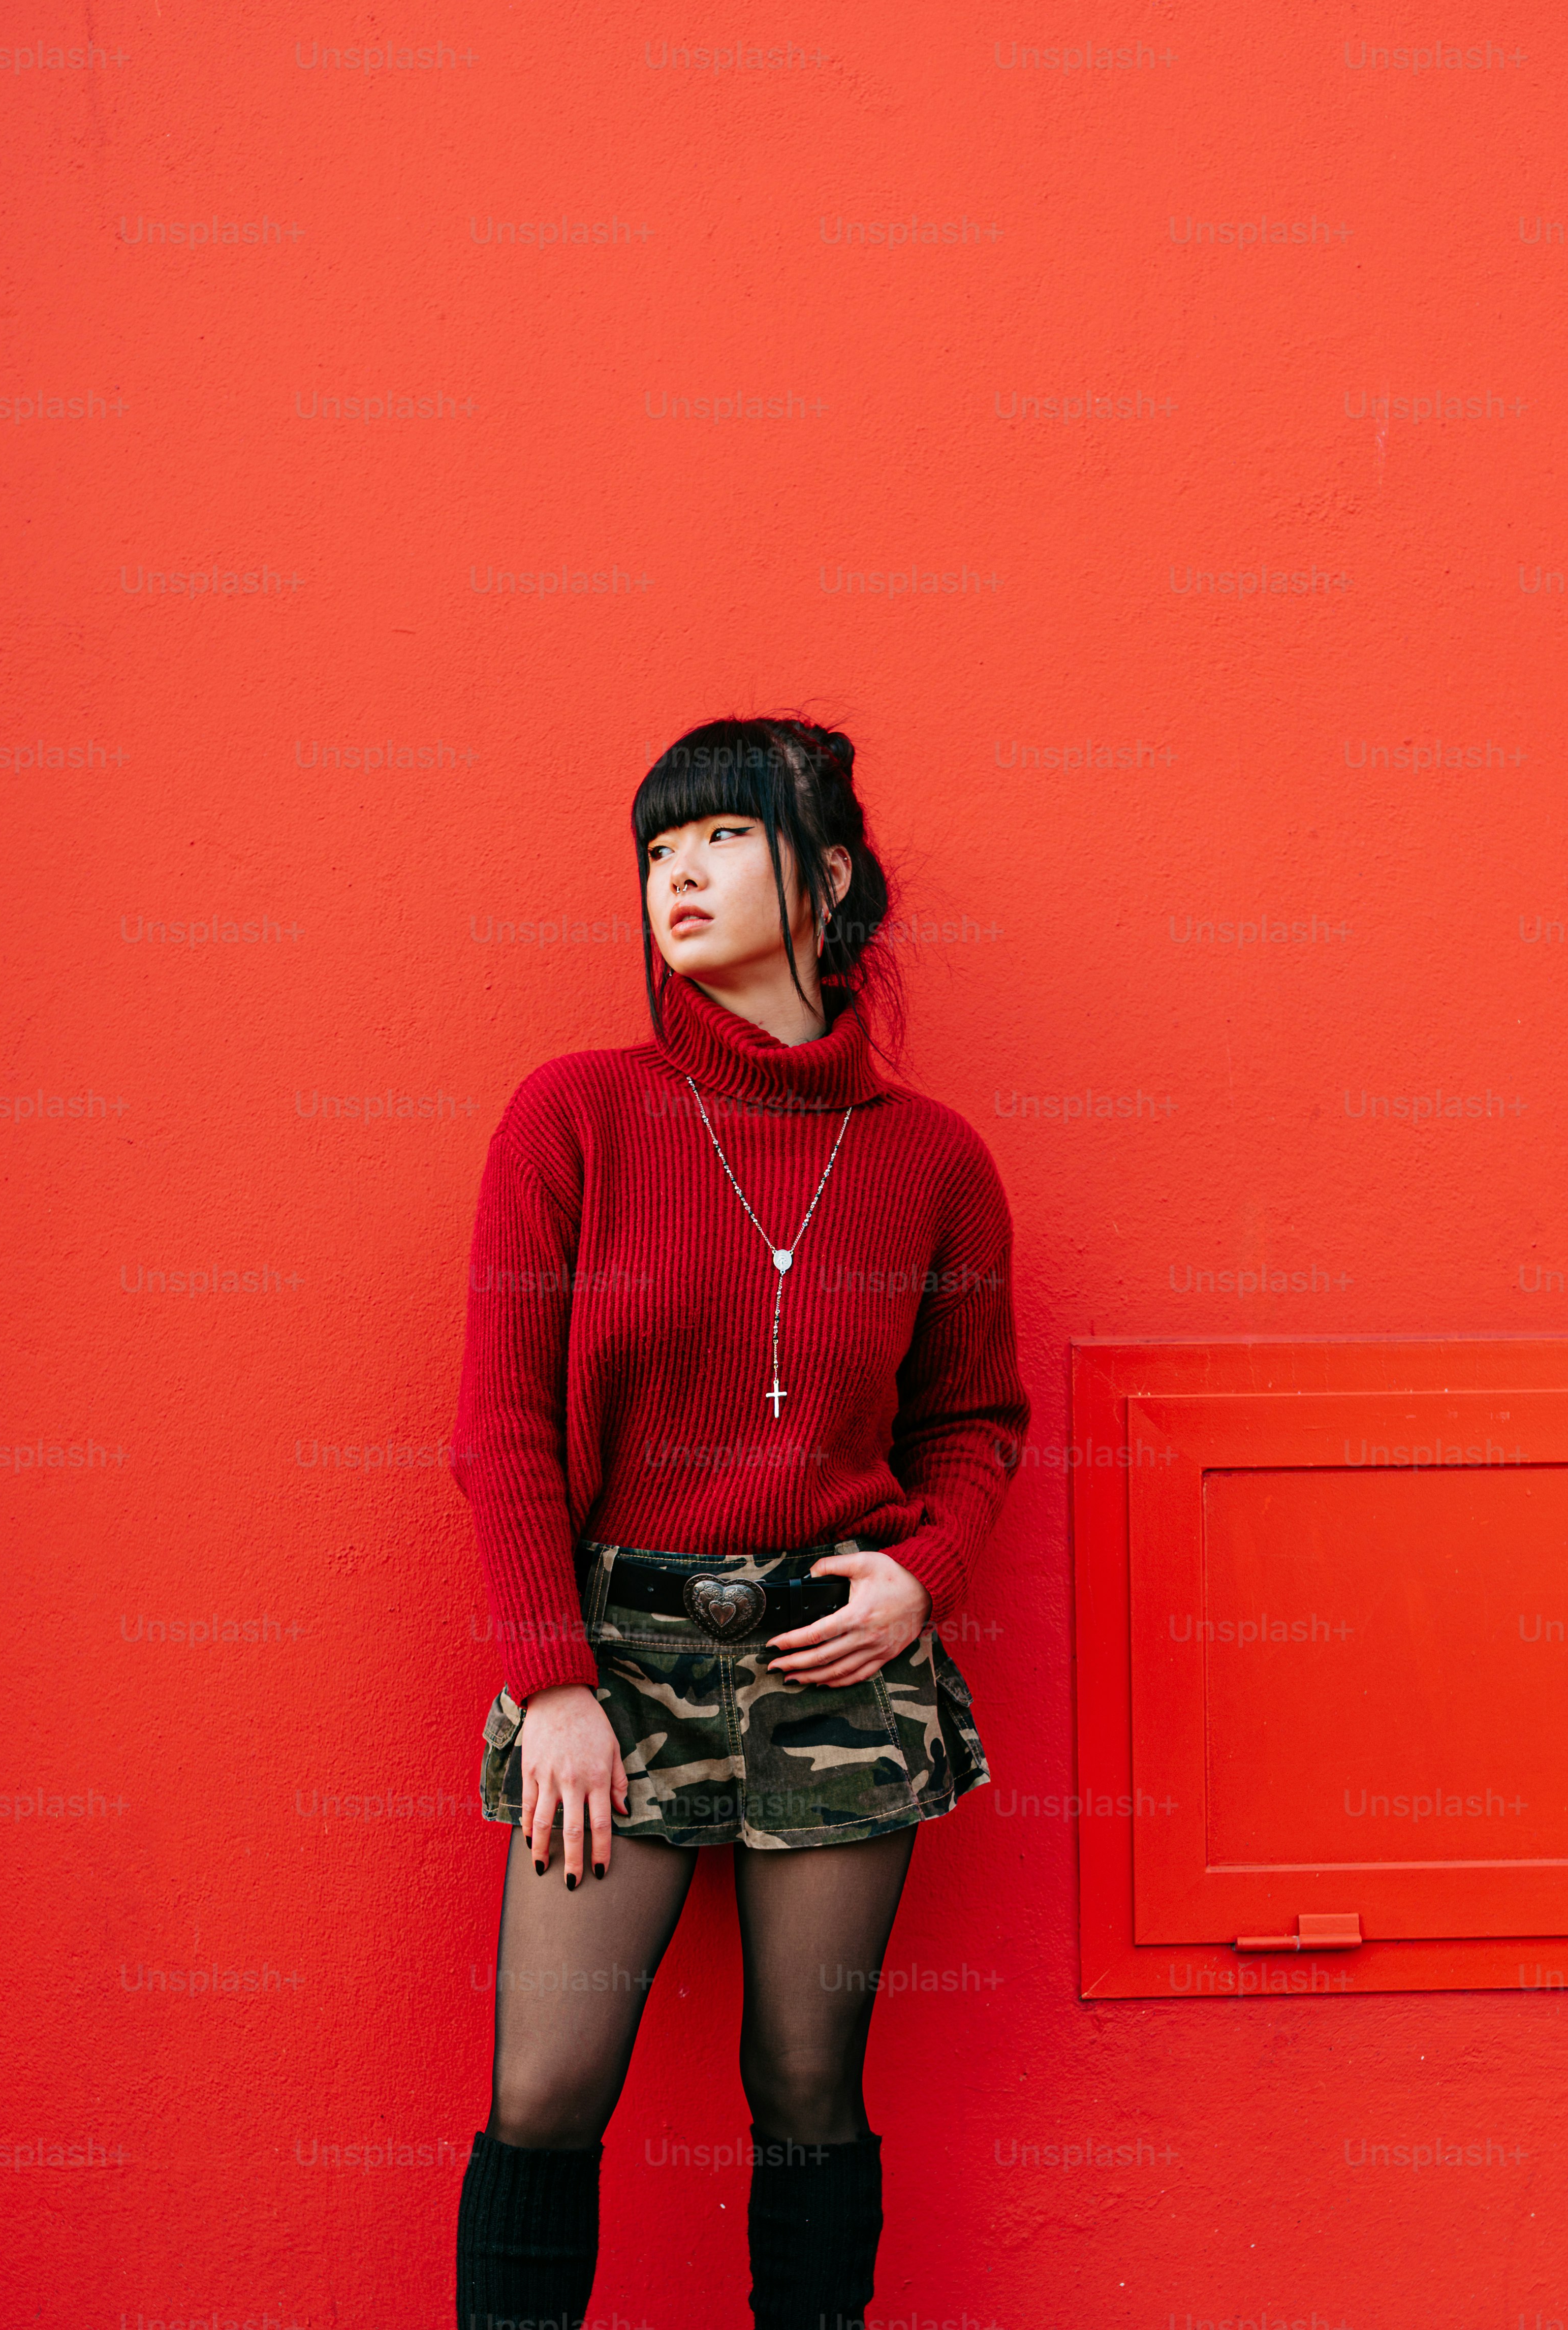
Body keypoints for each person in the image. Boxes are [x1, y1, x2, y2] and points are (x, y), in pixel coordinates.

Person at [452, 716, 1030, 2330]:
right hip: (613, 1655)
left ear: (827, 874)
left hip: (836, 1666)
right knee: (548, 2087)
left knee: (803, 2081)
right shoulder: (572, 1118)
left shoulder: (932, 1164)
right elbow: (497, 1422)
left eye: (715, 836)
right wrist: (549, 1676)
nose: (676, 877)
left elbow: (972, 1420)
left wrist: (923, 1575)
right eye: (653, 851)